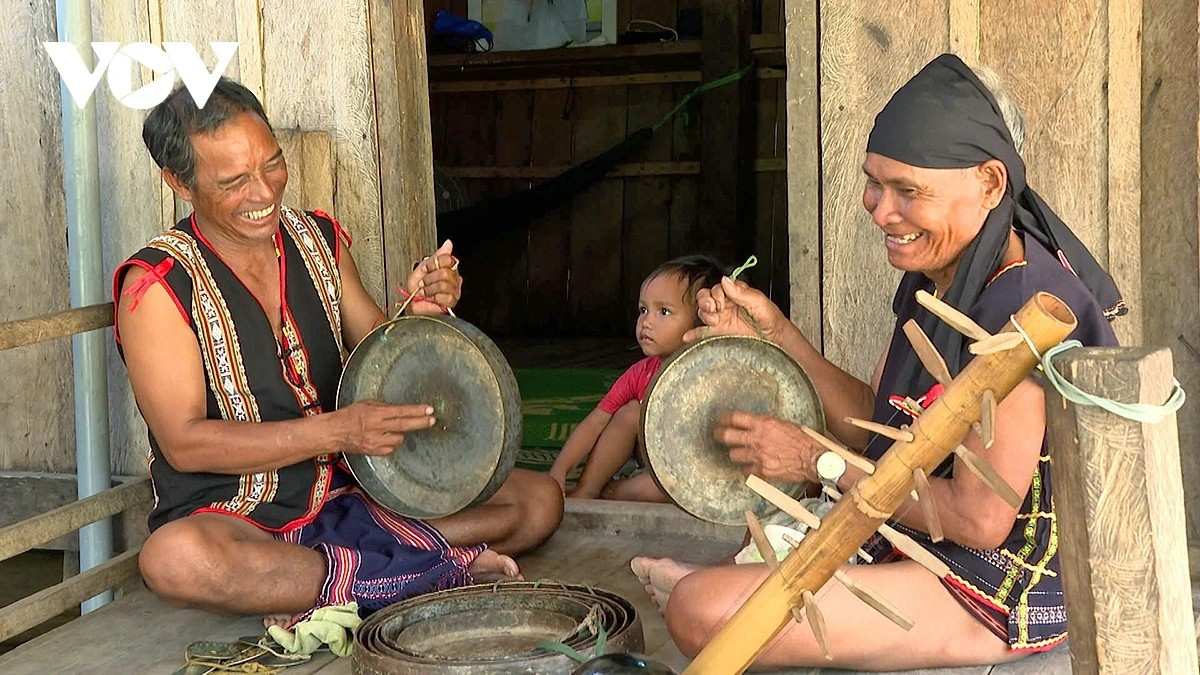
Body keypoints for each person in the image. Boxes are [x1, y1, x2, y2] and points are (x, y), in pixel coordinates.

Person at [631, 54, 1124, 670]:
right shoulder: (942, 276)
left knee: (699, 612)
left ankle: (703, 588)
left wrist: (820, 462)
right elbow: (883, 426)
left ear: (990, 184)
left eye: (908, 191)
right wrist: (780, 336)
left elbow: (978, 520)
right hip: (920, 542)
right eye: (874, 181)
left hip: (998, 589)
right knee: (717, 589)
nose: (879, 209)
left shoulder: (1024, 312)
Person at [113, 78, 564, 626]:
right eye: (234, 181)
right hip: (239, 516)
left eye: (272, 164)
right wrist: (337, 431)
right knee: (174, 561)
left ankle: (352, 578)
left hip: (356, 493)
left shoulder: (317, 239)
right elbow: (184, 445)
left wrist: (418, 314)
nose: (264, 193)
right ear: (179, 183)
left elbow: (380, 352)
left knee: (539, 501)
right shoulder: (156, 285)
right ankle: (430, 571)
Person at [548, 255, 726, 502]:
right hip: (654, 468)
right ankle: (587, 490)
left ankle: (614, 492)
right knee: (631, 411)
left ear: (701, 321)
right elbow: (595, 423)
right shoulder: (640, 373)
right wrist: (559, 469)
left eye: (663, 311)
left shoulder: (715, 374)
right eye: (643, 310)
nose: (646, 322)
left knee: (664, 490)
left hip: (694, 476)